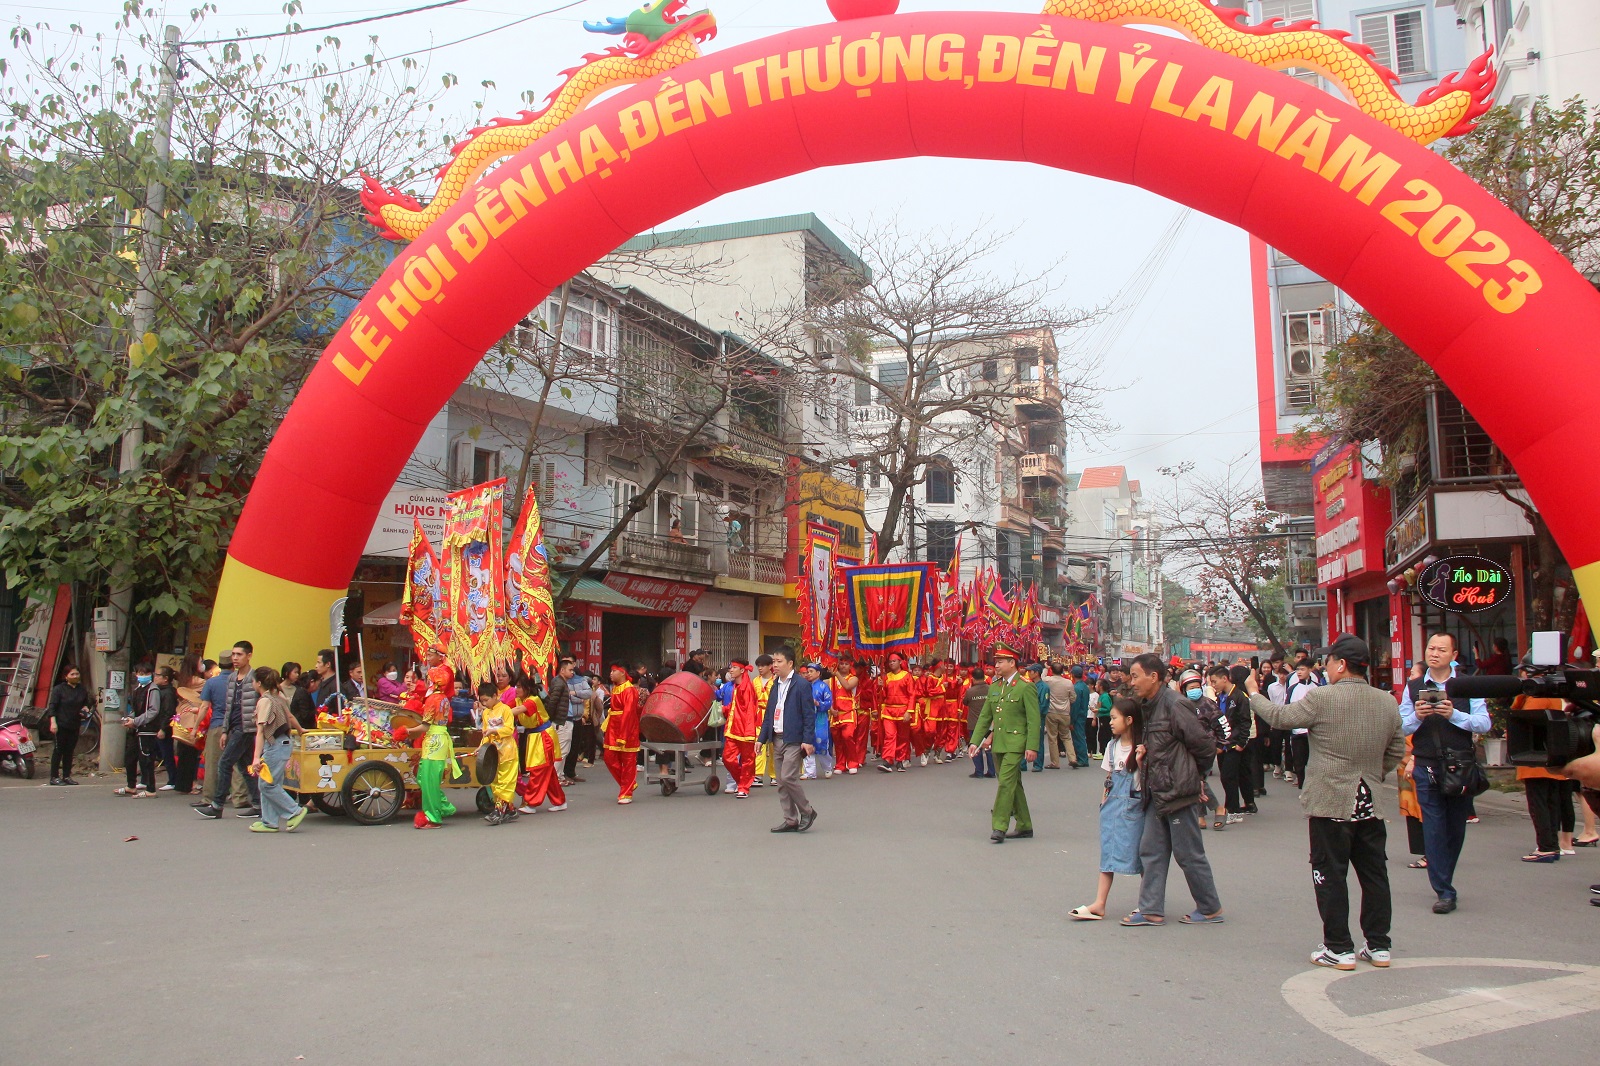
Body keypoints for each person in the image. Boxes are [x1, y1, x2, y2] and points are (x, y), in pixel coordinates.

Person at [1247, 635, 1404, 968]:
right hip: (1369, 801)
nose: (1325, 667)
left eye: (1329, 661)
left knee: (1330, 874)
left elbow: (1279, 717)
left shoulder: (1321, 697)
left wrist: (1254, 693)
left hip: (1330, 800)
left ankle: (1339, 946)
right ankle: (1379, 944)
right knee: (1374, 874)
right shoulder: (1387, 702)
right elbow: (1396, 750)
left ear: (1341, 664)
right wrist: (1372, 775)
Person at [1121, 653, 1223, 927]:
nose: (1132, 682)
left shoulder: (1175, 704)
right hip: (1156, 790)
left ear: (1153, 677)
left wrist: (1196, 777)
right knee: (1151, 850)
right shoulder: (1147, 706)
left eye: (1136, 676)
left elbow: (1204, 746)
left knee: (1188, 853)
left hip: (1177, 792)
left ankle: (1210, 907)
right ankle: (1151, 909)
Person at [1400, 631, 1491, 914]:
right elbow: (1400, 726)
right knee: (1434, 827)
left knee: (1455, 829)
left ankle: (1444, 878)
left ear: (1453, 655)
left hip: (1460, 766)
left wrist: (1454, 715)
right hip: (1426, 764)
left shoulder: (1466, 685)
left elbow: (1484, 723)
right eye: (1431, 648)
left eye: (1441, 649)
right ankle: (1444, 890)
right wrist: (1417, 716)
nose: (1434, 653)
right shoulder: (1413, 686)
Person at [1070, 697, 1145, 921]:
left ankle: (1146, 902)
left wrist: (1141, 762)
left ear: (1129, 720)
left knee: (1140, 853)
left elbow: (1145, 782)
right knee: (1107, 854)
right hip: (1112, 806)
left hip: (1134, 806)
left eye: (1114, 718)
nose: (1110, 722)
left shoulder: (1142, 747)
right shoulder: (1112, 746)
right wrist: (1103, 802)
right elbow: (1109, 778)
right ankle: (1100, 903)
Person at [968, 644, 1040, 844]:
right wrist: (975, 741)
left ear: (1012, 663)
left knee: (1006, 783)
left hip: (1016, 743)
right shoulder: (995, 686)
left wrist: (1032, 746)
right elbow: (985, 716)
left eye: (1000, 662)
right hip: (999, 743)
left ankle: (999, 825)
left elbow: (1034, 719)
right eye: (996, 662)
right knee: (1013, 784)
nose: (996, 665)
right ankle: (1024, 824)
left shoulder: (1025, 687)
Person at [195, 641, 264, 820]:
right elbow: (229, 707)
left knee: (225, 763)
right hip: (234, 727)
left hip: (246, 728)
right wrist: (225, 731)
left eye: (239, 654)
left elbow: (267, 699)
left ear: (249, 656)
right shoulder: (232, 678)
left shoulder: (255, 677)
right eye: (233, 654)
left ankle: (217, 806)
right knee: (245, 767)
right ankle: (258, 805)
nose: (235, 658)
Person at [758, 647, 818, 833]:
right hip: (776, 737)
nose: (775, 665)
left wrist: (807, 740)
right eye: (774, 662)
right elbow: (769, 714)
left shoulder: (801, 685)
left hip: (793, 739)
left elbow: (809, 715)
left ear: (790, 663)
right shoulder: (775, 684)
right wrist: (761, 739)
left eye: (779, 661)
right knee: (781, 782)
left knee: (788, 777)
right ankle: (790, 819)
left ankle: (807, 811)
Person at [247, 666, 307, 834]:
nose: (252, 683)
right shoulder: (278, 697)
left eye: (253, 681)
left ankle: (294, 811)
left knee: (266, 785)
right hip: (283, 744)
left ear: (259, 683)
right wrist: (300, 729)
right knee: (271, 783)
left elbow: (261, 731)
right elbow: (289, 716)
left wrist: (256, 757)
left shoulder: (265, 701)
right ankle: (269, 821)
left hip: (274, 745)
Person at [118, 664, 174, 797]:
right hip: (137, 729)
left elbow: (153, 711)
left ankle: (151, 789)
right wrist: (130, 719)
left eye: (145, 674)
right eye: (140, 673)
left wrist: (136, 721)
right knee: (130, 757)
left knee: (147, 759)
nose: (142, 676)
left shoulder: (153, 690)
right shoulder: (138, 689)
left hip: (148, 729)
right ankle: (131, 785)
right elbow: (136, 710)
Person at [514, 676, 567, 815]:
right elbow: (508, 706)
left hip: (543, 737)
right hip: (535, 736)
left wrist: (499, 713)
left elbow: (516, 710)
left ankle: (531, 802)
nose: (516, 689)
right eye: (516, 686)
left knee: (538, 771)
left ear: (527, 688)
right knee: (548, 773)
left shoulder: (533, 700)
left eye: (519, 687)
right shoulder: (519, 699)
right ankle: (559, 801)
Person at [1210, 665, 1256, 824]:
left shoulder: (1239, 696)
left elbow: (1245, 721)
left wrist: (1241, 742)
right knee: (1230, 776)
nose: (1213, 685)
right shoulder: (1221, 697)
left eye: (1215, 681)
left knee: (1229, 776)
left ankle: (1233, 810)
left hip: (1234, 743)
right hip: (1223, 743)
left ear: (1224, 678)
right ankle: (1240, 805)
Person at [411, 688, 457, 829]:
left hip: (434, 742)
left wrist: (407, 731)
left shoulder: (432, 699)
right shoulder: (443, 697)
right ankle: (442, 806)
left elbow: (425, 726)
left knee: (429, 781)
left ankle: (433, 818)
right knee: (423, 777)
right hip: (436, 740)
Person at [602, 663, 642, 804]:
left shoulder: (629, 690)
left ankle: (626, 793)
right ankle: (629, 783)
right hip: (613, 727)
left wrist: (623, 736)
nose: (611, 674)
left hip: (627, 729)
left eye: (614, 671)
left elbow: (629, 713)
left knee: (628, 761)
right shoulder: (615, 688)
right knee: (609, 758)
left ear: (623, 673)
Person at [45, 665, 91, 786]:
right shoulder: (59, 689)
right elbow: (52, 707)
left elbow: (85, 704)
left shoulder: (82, 690)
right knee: (58, 750)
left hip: (74, 724)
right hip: (60, 724)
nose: (75, 676)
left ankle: (66, 776)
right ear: (66, 676)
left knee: (69, 751)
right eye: (72, 674)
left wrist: (85, 709)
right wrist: (53, 722)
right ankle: (54, 777)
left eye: (77, 674)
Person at [722, 660, 760, 797]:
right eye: (731, 667)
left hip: (745, 730)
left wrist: (749, 732)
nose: (731, 670)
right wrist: (722, 709)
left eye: (734, 667)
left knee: (748, 760)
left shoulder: (747, 688)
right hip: (733, 729)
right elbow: (735, 707)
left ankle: (743, 787)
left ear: (742, 670)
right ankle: (742, 782)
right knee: (727, 758)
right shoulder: (735, 686)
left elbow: (750, 710)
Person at [1284, 660, 1319, 788]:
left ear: (1310, 670)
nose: (1299, 672)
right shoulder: (1292, 689)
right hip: (1297, 731)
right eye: (1297, 670)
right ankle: (1302, 786)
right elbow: (1287, 708)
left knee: (1313, 761)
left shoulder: (1318, 687)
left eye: (1302, 669)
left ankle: (1313, 787)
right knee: (1299, 762)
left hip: (1314, 732)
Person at [878, 652, 914, 773]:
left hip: (903, 710)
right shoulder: (886, 677)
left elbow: (912, 695)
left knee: (903, 737)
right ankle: (888, 760)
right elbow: (883, 696)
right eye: (890, 661)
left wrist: (909, 711)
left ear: (900, 662)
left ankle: (900, 760)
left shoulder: (907, 676)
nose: (892, 663)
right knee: (889, 735)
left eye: (894, 661)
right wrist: (880, 687)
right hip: (889, 710)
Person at [830, 664, 865, 775]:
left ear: (850, 666)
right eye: (841, 664)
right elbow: (826, 696)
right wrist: (831, 709)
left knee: (847, 736)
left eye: (846, 664)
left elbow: (847, 686)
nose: (843, 666)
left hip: (848, 713)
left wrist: (837, 674)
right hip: (835, 714)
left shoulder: (853, 678)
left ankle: (852, 763)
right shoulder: (831, 680)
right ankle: (840, 764)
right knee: (838, 740)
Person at [801, 663, 834, 779]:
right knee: (807, 742)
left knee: (821, 743)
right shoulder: (804, 686)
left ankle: (827, 767)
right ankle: (809, 772)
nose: (808, 674)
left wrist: (818, 703)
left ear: (818, 673)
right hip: (807, 718)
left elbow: (829, 702)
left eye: (811, 671)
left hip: (820, 718)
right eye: (807, 672)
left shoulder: (823, 686)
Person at [546, 657, 575, 784]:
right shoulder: (559, 683)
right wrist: (552, 718)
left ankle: (559, 776)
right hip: (561, 721)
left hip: (561, 721)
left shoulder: (560, 682)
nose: (572, 672)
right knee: (562, 751)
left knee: (563, 750)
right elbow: (553, 702)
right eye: (570, 670)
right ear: (562, 670)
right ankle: (556, 777)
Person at [1043, 663, 1076, 769]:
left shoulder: (1048, 680)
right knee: (1066, 737)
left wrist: (1046, 668)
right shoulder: (1068, 683)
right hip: (1065, 713)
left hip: (1051, 711)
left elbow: (1042, 677)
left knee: (1052, 738)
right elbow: (1073, 698)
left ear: (1052, 670)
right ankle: (1072, 758)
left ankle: (1055, 762)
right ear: (1062, 671)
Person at [963, 666, 994, 778]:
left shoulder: (970, 691)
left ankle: (979, 771)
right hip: (989, 724)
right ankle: (992, 771)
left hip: (974, 723)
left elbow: (965, 702)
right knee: (989, 748)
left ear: (973, 678)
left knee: (975, 747)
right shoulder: (991, 689)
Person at [1025, 663, 1049, 772]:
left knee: (1038, 740)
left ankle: (1038, 764)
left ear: (1036, 673)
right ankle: (1022, 764)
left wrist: (1036, 716)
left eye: (1030, 671)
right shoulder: (1030, 685)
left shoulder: (1044, 687)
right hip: (1028, 716)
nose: (1028, 673)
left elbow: (1043, 705)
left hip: (1038, 717)